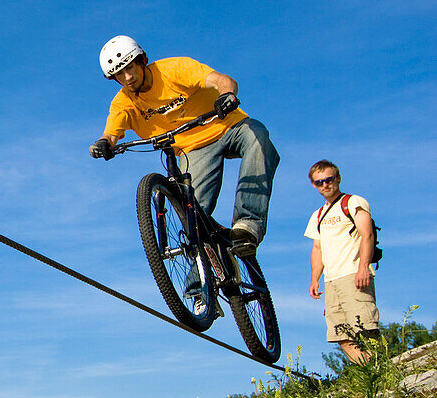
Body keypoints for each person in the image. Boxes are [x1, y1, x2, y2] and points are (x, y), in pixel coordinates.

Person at [89, 36, 279, 257]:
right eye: (119, 74)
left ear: (142, 60)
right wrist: (104, 144)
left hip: (228, 126)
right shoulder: (124, 102)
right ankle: (200, 285)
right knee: (194, 220)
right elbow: (111, 134)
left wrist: (227, 95)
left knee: (259, 138)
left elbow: (223, 80)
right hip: (193, 150)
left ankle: (247, 224)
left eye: (130, 68)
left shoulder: (174, 69)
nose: (128, 78)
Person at [304, 160, 379, 363]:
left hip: (353, 273)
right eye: (320, 182)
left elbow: (367, 235)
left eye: (329, 180)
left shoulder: (353, 202)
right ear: (314, 185)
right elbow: (317, 248)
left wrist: (363, 267)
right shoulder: (317, 215)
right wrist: (314, 279)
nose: (325, 185)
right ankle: (367, 373)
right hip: (332, 281)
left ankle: (380, 371)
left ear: (338, 178)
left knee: (365, 328)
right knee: (341, 334)